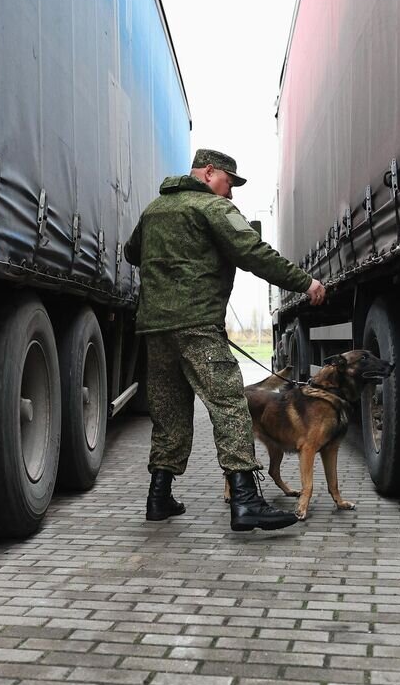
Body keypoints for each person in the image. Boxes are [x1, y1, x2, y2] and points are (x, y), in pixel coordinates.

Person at [124, 148, 326, 531]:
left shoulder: (153, 211)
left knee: (168, 413)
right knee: (231, 406)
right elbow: (255, 253)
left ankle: (159, 497)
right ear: (209, 173)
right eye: (229, 183)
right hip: (198, 326)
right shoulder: (213, 209)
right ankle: (246, 501)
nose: (231, 193)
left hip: (154, 329)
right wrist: (306, 283)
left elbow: (133, 252)